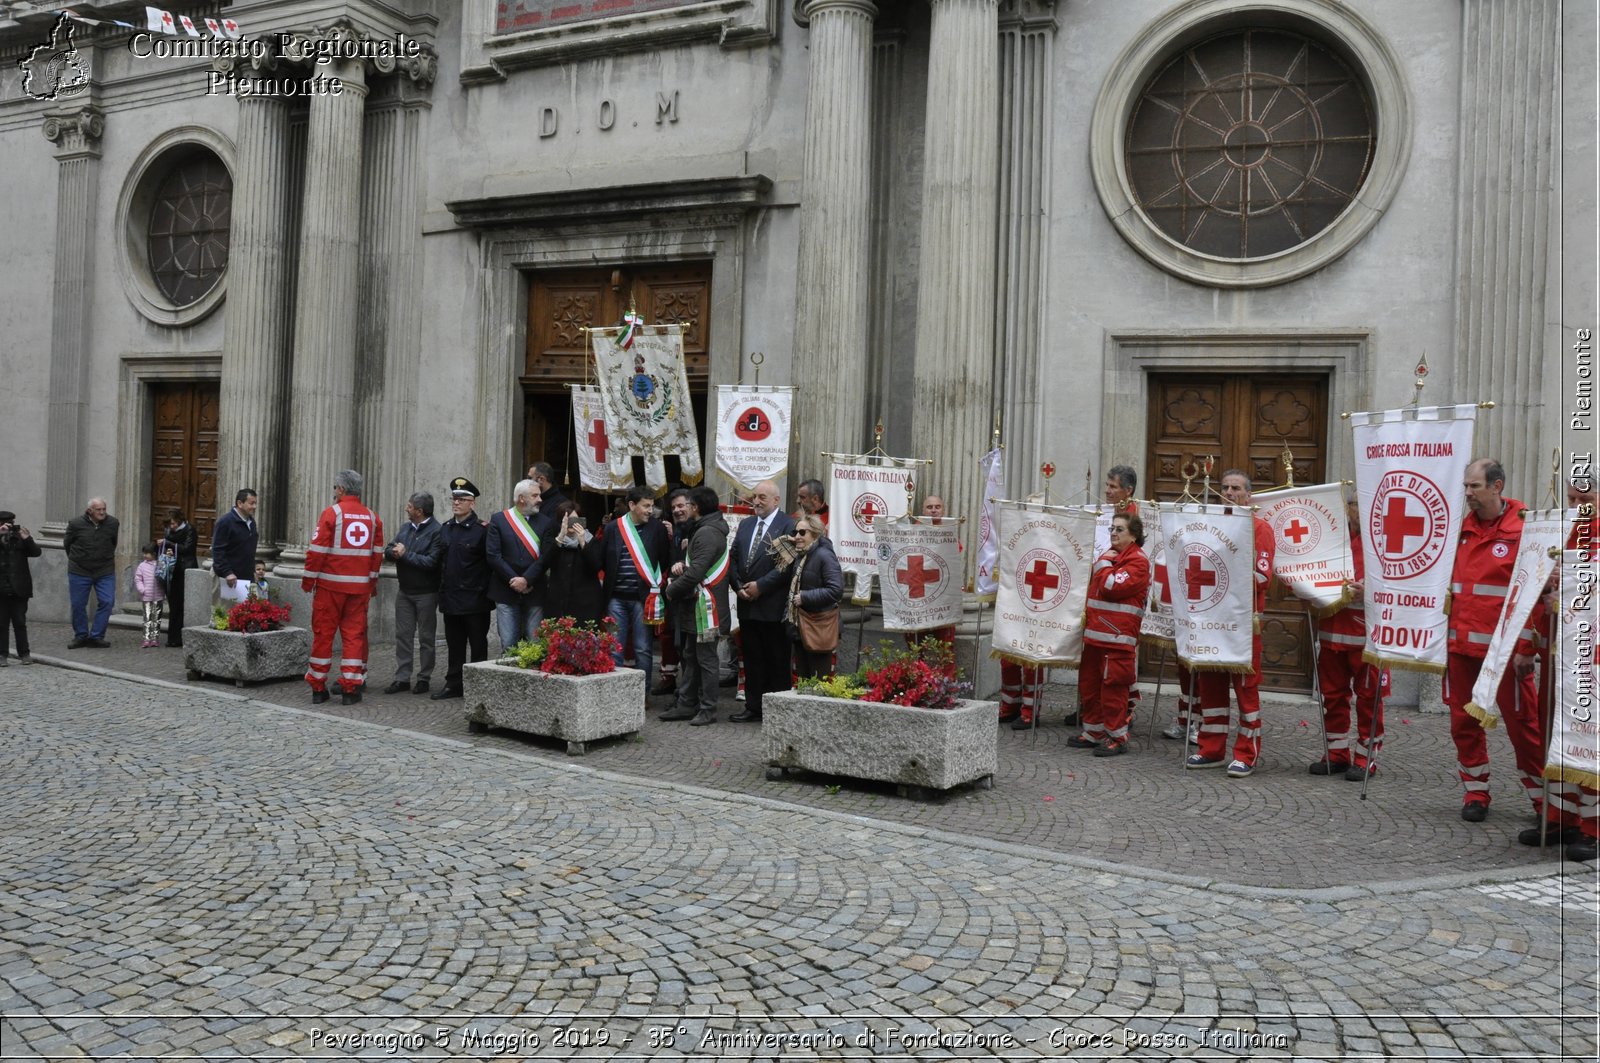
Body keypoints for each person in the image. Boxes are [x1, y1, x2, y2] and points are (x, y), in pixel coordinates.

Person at [1444, 458, 1545, 826]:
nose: (1468, 493)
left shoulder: (1527, 528)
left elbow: (1536, 592)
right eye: (1466, 487)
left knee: (1524, 727)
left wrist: (1525, 649)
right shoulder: (1458, 528)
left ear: (1497, 487)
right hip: (1460, 649)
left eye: (1475, 486)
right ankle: (1475, 791)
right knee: (1462, 725)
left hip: (1504, 654)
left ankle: (1542, 801)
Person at [1186, 469, 1274, 777]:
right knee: (1210, 689)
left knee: (1246, 692)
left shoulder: (1259, 527)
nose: (1229, 492)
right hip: (1211, 622)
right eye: (1225, 487)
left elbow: (1262, 577)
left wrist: (1227, 575)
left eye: (1236, 488)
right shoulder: (1207, 528)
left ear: (1249, 495)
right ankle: (1211, 748)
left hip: (1243, 628)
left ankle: (1246, 753)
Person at [1309, 493, 1389, 780]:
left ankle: (1366, 757)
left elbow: (1398, 584)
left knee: (1369, 699)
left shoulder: (1383, 543)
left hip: (1367, 637)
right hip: (1331, 633)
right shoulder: (1332, 539)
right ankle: (1336, 753)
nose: (1357, 511)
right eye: (1354, 505)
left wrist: (1368, 591)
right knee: (1332, 696)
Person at [302, 469, 384, 706]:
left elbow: (316, 551)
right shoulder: (372, 517)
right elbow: (376, 556)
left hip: (330, 588)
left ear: (341, 489)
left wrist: (308, 581)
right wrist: (371, 584)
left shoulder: (332, 513)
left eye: (335, 488)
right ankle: (351, 688)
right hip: (359, 591)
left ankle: (318, 687)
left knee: (323, 636)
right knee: (354, 638)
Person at [1072, 513, 1150, 756]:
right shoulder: (1113, 556)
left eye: (1120, 529)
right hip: (1096, 635)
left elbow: (1111, 587)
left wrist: (1103, 563)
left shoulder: (1138, 561)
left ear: (1134, 535)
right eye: (1111, 528)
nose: (1113, 533)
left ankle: (1117, 736)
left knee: (1113, 690)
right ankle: (1094, 731)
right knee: (1090, 685)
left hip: (1117, 639)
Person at [661, 486, 730, 725]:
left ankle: (708, 708)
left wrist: (671, 590)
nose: (685, 508)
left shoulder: (707, 532)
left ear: (696, 508)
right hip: (697, 607)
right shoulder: (703, 529)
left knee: (706, 660)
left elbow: (697, 572)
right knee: (691, 656)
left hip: (706, 608)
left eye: (688, 504)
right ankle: (686, 704)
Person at [729, 479, 796, 723]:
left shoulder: (789, 525)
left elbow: (787, 566)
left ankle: (777, 710)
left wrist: (761, 586)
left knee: (777, 660)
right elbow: (734, 557)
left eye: (762, 498)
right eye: (754, 496)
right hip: (747, 604)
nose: (756, 501)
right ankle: (753, 706)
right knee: (753, 659)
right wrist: (738, 586)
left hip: (773, 606)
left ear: (776, 500)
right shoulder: (746, 524)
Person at [594, 486, 670, 688]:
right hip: (615, 599)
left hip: (642, 598)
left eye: (651, 506)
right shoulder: (613, 528)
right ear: (631, 505)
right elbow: (601, 559)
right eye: (646, 506)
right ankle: (615, 693)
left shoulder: (658, 529)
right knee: (614, 647)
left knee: (643, 648)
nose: (650, 510)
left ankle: (641, 695)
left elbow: (664, 561)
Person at [432, 477, 493, 701]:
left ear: (472, 503)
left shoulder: (482, 530)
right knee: (454, 645)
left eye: (462, 499)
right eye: (454, 499)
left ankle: (477, 686)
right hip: (451, 598)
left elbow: (490, 563)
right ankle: (453, 683)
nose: (456, 503)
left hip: (475, 600)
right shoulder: (446, 529)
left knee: (478, 646)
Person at [383, 491, 444, 695]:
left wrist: (406, 554)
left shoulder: (437, 531)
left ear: (419, 511)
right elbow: (390, 548)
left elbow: (431, 562)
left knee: (426, 638)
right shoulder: (405, 528)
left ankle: (424, 678)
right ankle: (402, 678)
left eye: (409, 506)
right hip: (405, 591)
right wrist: (393, 552)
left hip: (426, 593)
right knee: (403, 636)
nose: (406, 509)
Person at [487, 479, 551, 651]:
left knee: (535, 644)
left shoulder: (546, 523)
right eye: (535, 495)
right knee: (508, 644)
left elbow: (546, 557)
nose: (540, 499)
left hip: (535, 590)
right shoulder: (499, 520)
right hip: (505, 589)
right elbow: (493, 555)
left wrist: (527, 580)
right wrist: (514, 580)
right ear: (522, 499)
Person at [787, 513, 844, 680]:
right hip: (801, 626)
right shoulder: (802, 555)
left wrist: (805, 597)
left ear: (815, 534)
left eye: (802, 533)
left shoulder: (824, 555)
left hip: (819, 628)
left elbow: (836, 590)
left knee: (820, 682)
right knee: (803, 682)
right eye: (796, 532)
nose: (797, 536)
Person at [903, 494, 959, 652]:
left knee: (945, 650)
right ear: (923, 510)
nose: (933, 510)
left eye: (937, 507)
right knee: (916, 649)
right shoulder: (910, 532)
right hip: (917, 598)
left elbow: (955, 558)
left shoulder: (949, 531)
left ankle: (947, 678)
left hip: (942, 600)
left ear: (943, 509)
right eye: (929, 507)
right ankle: (918, 677)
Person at [64, 497, 119, 649]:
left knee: (107, 601)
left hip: (105, 569)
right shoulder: (75, 524)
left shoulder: (113, 523)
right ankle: (81, 636)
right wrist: (79, 559)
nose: (102, 512)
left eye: (104, 509)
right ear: (90, 511)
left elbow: (113, 542)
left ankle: (96, 636)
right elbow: (67, 544)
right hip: (79, 570)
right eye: (98, 510)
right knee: (78, 604)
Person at [548, 500, 605, 624]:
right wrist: (561, 537)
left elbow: (596, 565)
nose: (572, 524)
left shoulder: (591, 541)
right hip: (559, 602)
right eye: (568, 520)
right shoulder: (554, 540)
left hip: (586, 603)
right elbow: (546, 561)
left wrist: (583, 543)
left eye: (575, 520)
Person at [0, 510, 41, 665]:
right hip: (1, 589)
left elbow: (36, 553)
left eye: (10, 522)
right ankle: (2, 655)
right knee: (1, 624)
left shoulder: (20, 537)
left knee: (19, 622)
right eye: (4, 523)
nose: (8, 526)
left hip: (19, 588)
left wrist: (28, 539)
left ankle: (24, 653)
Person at [211, 489, 260, 604]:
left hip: (246, 576)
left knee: (246, 614)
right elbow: (218, 549)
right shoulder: (225, 522)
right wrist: (227, 572)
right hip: (228, 577)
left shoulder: (251, 522)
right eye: (251, 503)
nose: (255, 506)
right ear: (240, 503)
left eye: (255, 503)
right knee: (224, 615)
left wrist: (253, 570)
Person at [160, 508, 197, 647]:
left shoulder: (189, 529)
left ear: (179, 520)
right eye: (169, 524)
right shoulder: (168, 531)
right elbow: (166, 548)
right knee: (173, 604)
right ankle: (173, 637)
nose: (172, 527)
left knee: (182, 604)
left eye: (174, 523)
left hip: (184, 569)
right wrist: (167, 550)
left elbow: (188, 549)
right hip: (171, 570)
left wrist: (169, 544)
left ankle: (180, 637)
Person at [134, 543, 166, 648]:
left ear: (154, 554)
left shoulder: (160, 564)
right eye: (144, 553)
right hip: (146, 597)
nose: (145, 555)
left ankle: (155, 638)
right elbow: (138, 579)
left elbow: (164, 576)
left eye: (147, 553)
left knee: (156, 619)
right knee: (147, 618)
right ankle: (146, 638)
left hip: (158, 596)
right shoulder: (142, 566)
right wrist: (142, 590)